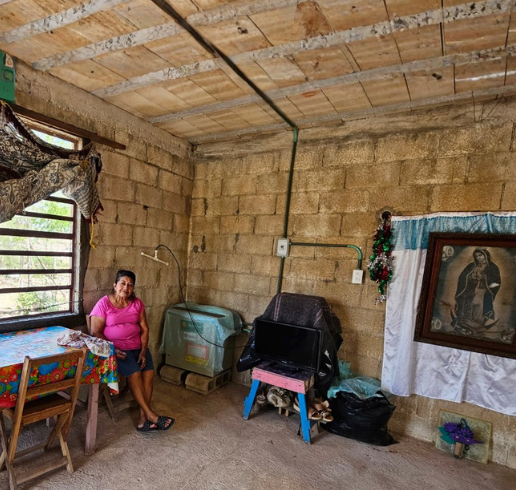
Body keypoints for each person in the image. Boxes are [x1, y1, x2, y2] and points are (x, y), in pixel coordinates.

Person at [90, 270, 174, 432]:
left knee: (148, 374)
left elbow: (145, 329)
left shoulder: (137, 303)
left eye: (130, 285)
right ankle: (152, 416)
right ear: (115, 285)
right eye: (122, 283)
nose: (126, 287)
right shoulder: (104, 303)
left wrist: (143, 351)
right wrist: (113, 349)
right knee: (135, 373)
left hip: (138, 348)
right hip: (116, 350)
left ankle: (143, 419)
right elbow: (96, 332)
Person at [451, 248, 501, 334]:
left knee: (477, 305)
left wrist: (484, 278)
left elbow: (496, 282)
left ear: (486, 255)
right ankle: (464, 324)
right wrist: (470, 277)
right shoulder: (471, 266)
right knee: (466, 303)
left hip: (483, 291)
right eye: (476, 256)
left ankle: (476, 326)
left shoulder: (493, 267)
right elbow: (462, 277)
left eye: (480, 255)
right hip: (470, 290)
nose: (478, 258)